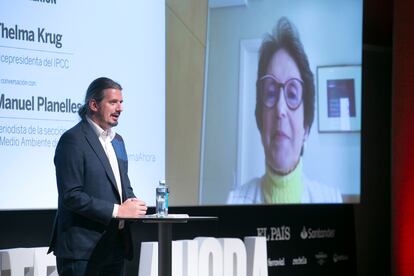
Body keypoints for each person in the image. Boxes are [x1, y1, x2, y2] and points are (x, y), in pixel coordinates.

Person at [227, 18, 342, 204]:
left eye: (292, 94)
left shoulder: (331, 200)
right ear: (261, 121)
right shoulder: (233, 202)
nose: (280, 109)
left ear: (306, 126)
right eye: (271, 93)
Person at [48, 77, 148, 275]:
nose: (119, 108)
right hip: (82, 251)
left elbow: (122, 186)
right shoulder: (73, 140)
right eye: (113, 102)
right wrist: (117, 210)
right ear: (93, 104)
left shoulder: (117, 141)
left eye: (121, 102)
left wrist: (134, 204)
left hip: (114, 247)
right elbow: (71, 196)